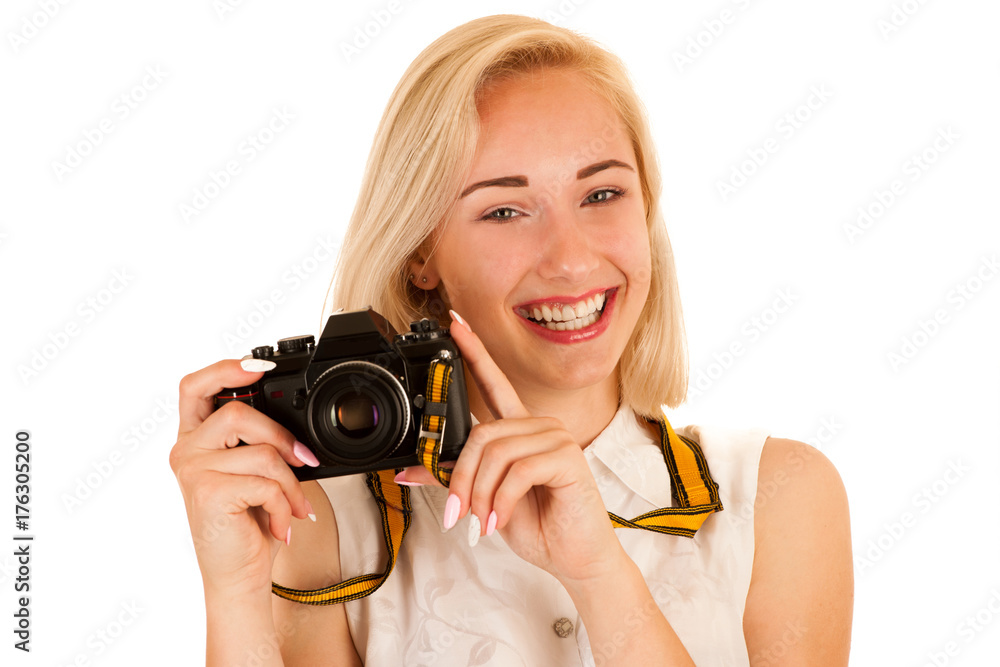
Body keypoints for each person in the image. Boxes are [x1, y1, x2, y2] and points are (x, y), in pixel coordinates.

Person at [170, 14, 853, 666]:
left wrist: (597, 571)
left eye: (602, 194)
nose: (571, 258)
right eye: (504, 209)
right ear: (422, 253)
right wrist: (232, 595)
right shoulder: (329, 521)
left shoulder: (777, 496)